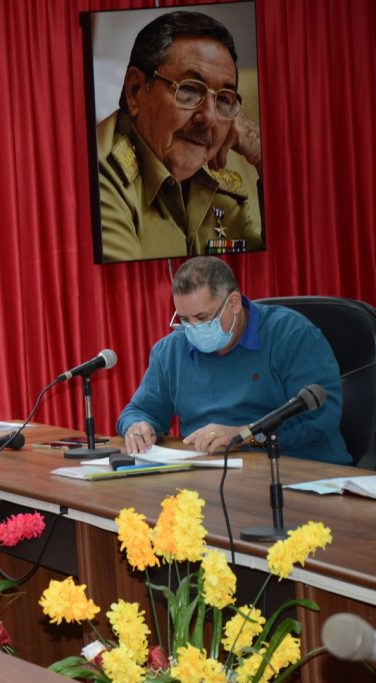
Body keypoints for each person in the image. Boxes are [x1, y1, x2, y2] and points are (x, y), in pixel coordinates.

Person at [118, 257, 351, 464]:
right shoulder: (171, 350)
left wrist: (245, 436)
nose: (194, 328)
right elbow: (139, 410)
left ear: (234, 303)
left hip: (301, 473)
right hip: (211, 477)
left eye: (202, 317)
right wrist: (137, 426)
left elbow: (321, 417)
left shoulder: (291, 335)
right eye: (185, 319)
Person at [97, 11, 264, 262]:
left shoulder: (217, 184)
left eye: (224, 99)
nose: (208, 117)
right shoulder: (102, 174)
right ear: (135, 91)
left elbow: (281, 267)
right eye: (188, 90)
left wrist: (262, 156)